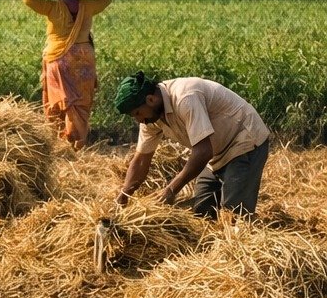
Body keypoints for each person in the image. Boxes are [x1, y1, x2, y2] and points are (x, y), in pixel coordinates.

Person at [114, 72, 272, 218]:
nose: (138, 120)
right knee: (202, 211)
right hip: (217, 153)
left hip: (244, 140)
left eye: (137, 113)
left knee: (233, 215)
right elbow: (142, 159)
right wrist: (125, 193)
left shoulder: (185, 97)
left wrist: (171, 189)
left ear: (150, 99)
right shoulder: (150, 119)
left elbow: (203, 151)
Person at [24, 0, 111, 150]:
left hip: (59, 60)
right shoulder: (87, 6)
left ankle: (60, 143)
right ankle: (78, 144)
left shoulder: (53, 8)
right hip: (84, 60)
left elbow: (29, 0)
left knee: (61, 103)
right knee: (80, 103)